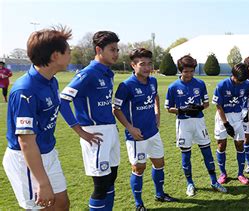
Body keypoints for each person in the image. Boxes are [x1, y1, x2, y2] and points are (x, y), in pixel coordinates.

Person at [2, 26, 72, 210]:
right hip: (27, 159)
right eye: (68, 51)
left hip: (48, 152)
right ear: (55, 55)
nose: (71, 54)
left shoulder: (52, 80)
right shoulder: (25, 90)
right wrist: (42, 183)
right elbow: (26, 142)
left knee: (62, 204)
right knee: (44, 207)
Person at [59, 31, 120, 210]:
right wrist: (80, 131)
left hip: (111, 131)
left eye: (117, 49)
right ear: (98, 50)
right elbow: (62, 101)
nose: (116, 53)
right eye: (112, 49)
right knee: (100, 187)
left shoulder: (108, 73)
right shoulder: (88, 73)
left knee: (111, 180)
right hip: (95, 134)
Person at [113, 48, 177, 211]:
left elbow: (155, 97)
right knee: (139, 168)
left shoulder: (153, 81)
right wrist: (130, 128)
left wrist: (157, 115)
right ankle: (138, 204)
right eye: (142, 64)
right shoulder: (126, 86)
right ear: (133, 65)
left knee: (159, 164)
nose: (147, 68)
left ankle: (160, 194)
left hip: (153, 133)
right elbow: (116, 109)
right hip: (137, 136)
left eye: (149, 64)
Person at [165, 55, 227, 197]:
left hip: (199, 122)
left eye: (191, 71)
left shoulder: (200, 83)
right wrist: (182, 110)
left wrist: (198, 107)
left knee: (207, 153)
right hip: (183, 124)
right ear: (180, 71)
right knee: (186, 154)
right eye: (186, 71)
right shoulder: (173, 87)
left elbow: (205, 104)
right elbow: (168, 107)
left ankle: (213, 181)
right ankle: (190, 184)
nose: (189, 74)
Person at [213, 63, 249, 185]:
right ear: (232, 75)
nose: (240, 83)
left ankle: (240, 174)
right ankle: (223, 174)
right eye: (238, 80)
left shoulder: (247, 84)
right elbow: (218, 106)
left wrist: (248, 112)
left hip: (238, 117)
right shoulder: (222, 85)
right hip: (222, 116)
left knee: (240, 145)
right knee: (221, 146)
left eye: (242, 81)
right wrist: (226, 124)